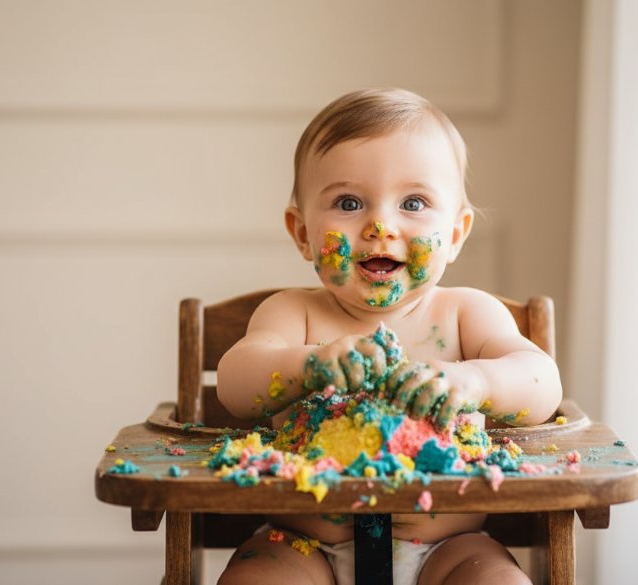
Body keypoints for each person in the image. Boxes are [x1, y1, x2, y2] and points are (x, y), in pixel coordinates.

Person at [216, 88, 562, 585]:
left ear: (456, 233)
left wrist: (476, 382)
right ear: (302, 233)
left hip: (449, 548)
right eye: (349, 202)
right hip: (302, 545)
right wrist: (305, 364)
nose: (381, 225)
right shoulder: (294, 314)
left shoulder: (466, 313)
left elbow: (541, 382)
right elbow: (234, 384)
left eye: (414, 202)